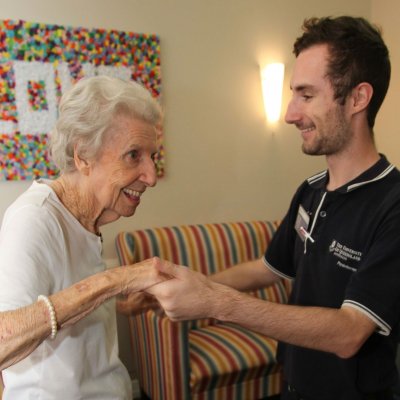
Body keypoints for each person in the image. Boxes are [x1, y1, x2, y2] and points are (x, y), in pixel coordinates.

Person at [146, 16, 400, 400]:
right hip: (295, 385)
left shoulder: (392, 205)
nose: (290, 113)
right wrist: (191, 283)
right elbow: (267, 268)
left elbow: (349, 333)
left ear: (358, 99)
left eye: (307, 95)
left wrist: (217, 302)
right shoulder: (311, 191)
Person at [0, 75, 170, 399]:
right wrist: (115, 281)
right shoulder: (34, 218)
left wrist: (119, 302)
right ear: (82, 156)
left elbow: (65, 304)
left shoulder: (88, 218)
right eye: (134, 155)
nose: (151, 176)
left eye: (152, 156)